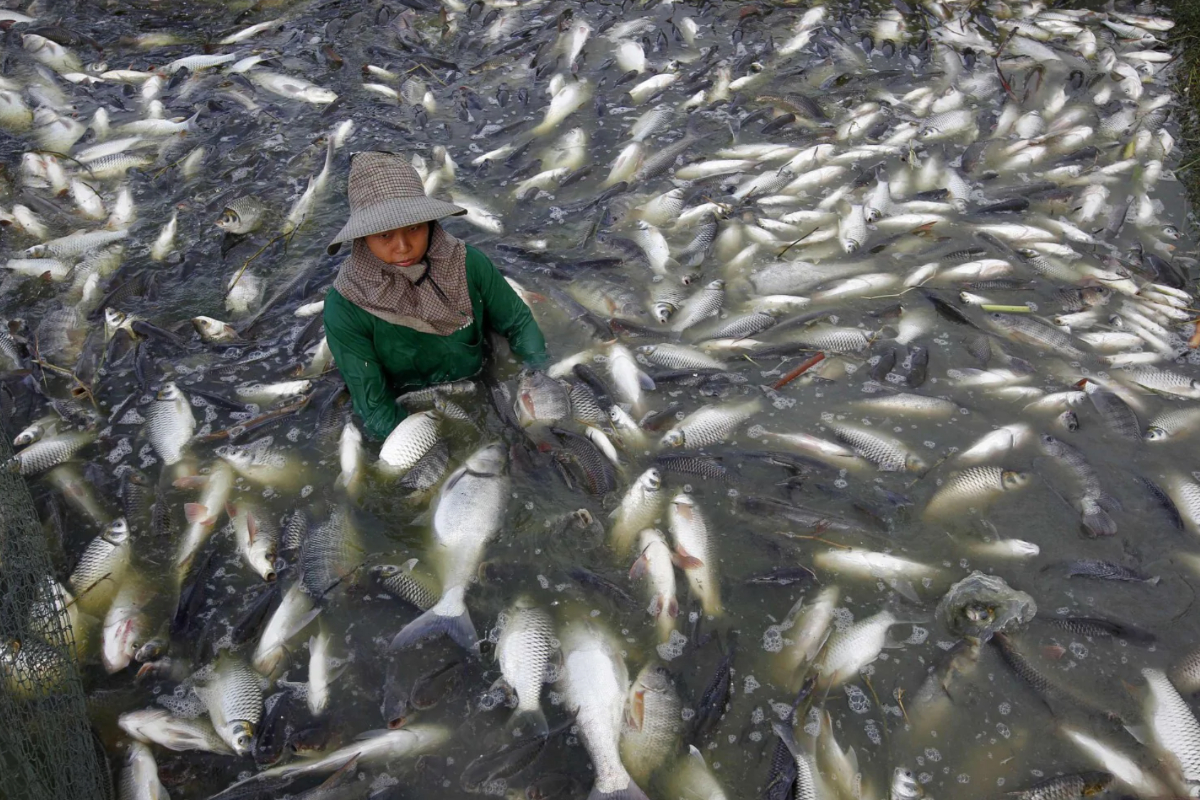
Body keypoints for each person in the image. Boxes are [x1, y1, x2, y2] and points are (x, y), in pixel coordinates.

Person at [323, 151, 547, 440]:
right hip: (408, 402)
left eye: (414, 228)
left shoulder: (468, 263)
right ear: (362, 237)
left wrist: (539, 373)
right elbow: (376, 407)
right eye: (384, 235)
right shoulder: (345, 307)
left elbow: (518, 322)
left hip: (480, 378)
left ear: (429, 223)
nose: (403, 246)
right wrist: (430, 447)